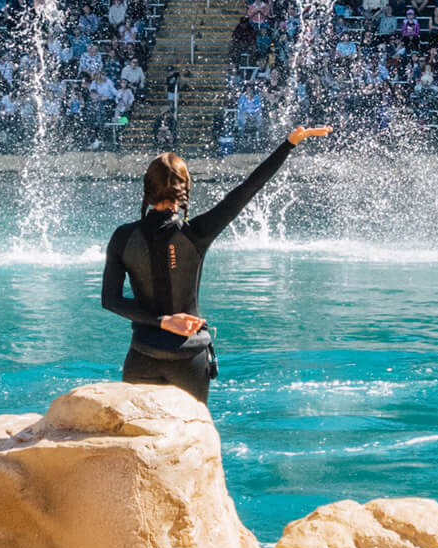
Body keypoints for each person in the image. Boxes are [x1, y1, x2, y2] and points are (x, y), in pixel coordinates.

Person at [101, 125, 332, 403]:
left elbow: (110, 301)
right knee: (194, 441)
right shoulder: (197, 233)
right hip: (189, 358)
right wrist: (289, 144)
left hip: (143, 355)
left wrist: (162, 322)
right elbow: (248, 188)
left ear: (147, 188)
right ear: (184, 189)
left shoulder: (123, 237)